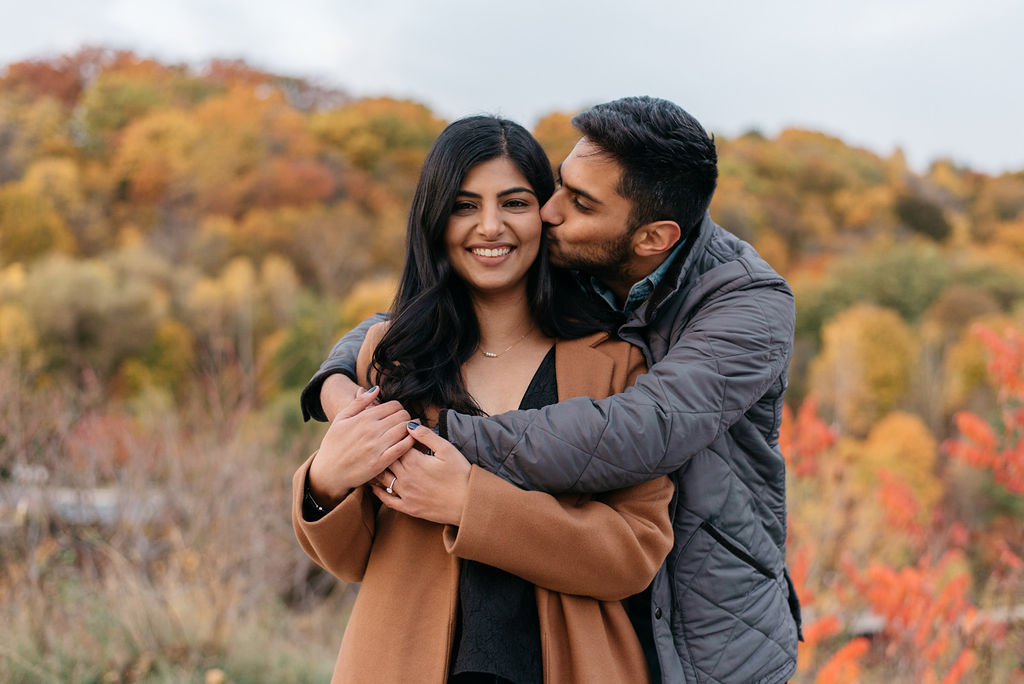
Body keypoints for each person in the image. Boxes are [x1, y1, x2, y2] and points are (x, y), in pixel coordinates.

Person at [302, 97, 802, 684]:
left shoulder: (738, 310)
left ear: (651, 237)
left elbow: (639, 432)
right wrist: (339, 408)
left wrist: (446, 467)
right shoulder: (407, 353)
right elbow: (407, 316)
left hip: (706, 617)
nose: (546, 213)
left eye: (568, 202)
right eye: (555, 189)